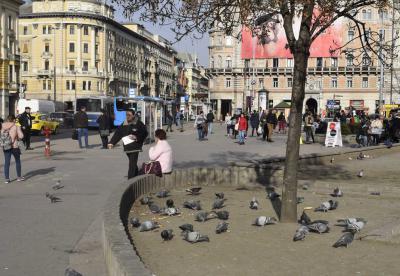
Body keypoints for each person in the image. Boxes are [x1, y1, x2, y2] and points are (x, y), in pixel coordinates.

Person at [108, 110, 148, 179]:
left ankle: (130, 180)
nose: (127, 116)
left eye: (129, 115)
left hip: (135, 146)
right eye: (126, 115)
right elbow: (118, 133)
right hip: (127, 147)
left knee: (132, 164)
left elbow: (144, 133)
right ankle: (135, 173)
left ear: (133, 115)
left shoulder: (138, 123)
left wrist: (137, 137)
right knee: (133, 163)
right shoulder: (124, 123)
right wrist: (112, 142)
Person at [1, 115, 24, 183]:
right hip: (14, 146)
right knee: (17, 161)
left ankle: (7, 179)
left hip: (6, 146)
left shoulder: (2, 126)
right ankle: (19, 177)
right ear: (14, 120)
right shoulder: (16, 126)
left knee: (7, 162)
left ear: (7, 119)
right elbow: (21, 136)